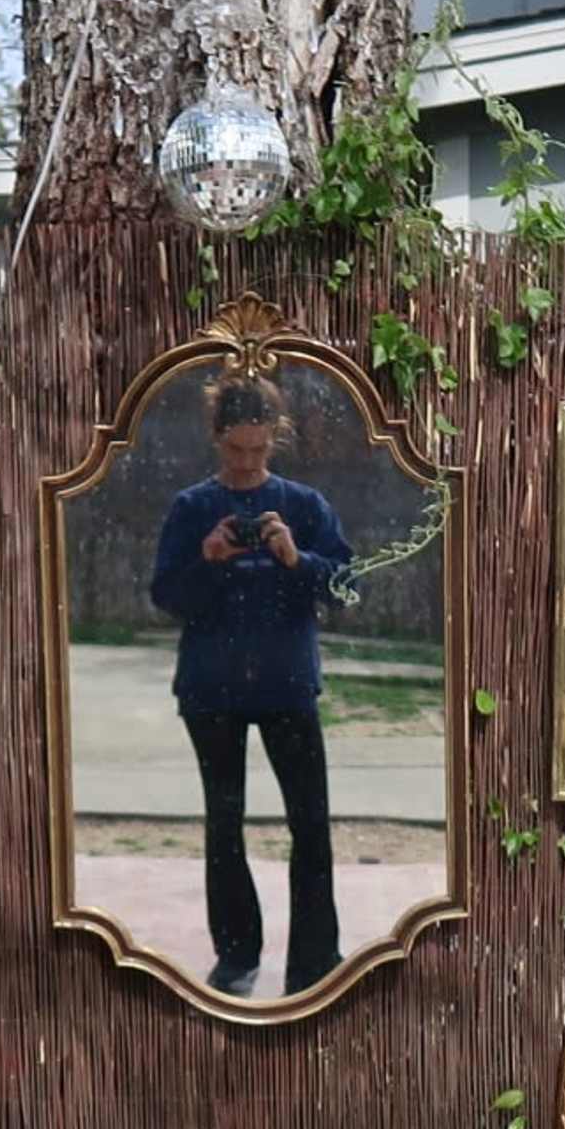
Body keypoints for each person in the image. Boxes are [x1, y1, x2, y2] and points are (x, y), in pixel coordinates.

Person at [149, 375, 352, 996]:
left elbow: (346, 589)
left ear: (274, 440)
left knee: (311, 823)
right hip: (211, 689)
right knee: (224, 823)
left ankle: (314, 961)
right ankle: (236, 957)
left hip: (289, 684)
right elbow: (165, 597)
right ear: (217, 440)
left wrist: (299, 559)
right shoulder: (190, 509)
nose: (246, 464)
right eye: (235, 451)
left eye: (257, 452)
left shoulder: (306, 506)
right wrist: (207, 559)